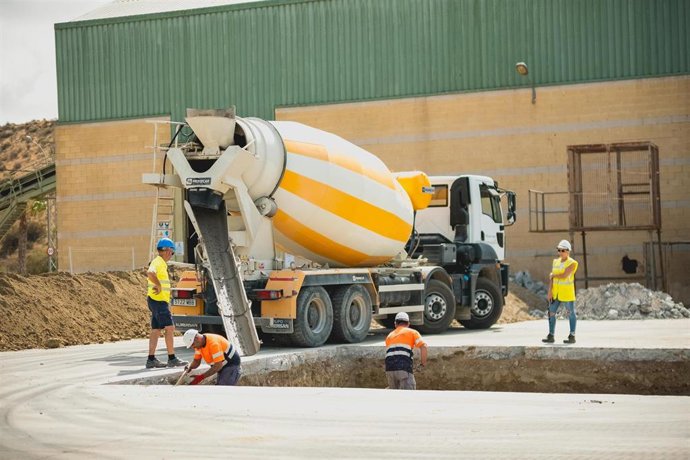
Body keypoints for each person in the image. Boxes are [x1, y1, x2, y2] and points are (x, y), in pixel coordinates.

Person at [145, 237, 188, 368]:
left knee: (156, 330)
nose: (171, 255)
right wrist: (158, 285)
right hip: (158, 301)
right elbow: (150, 273)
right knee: (170, 328)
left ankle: (151, 359)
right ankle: (172, 358)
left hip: (156, 301)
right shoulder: (157, 262)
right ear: (167, 250)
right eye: (172, 252)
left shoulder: (161, 263)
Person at [542, 239, 579, 344]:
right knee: (551, 313)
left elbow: (564, 275)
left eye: (563, 250)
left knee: (570, 313)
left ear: (568, 251)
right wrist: (550, 291)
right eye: (559, 250)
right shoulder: (556, 262)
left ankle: (572, 336)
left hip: (567, 293)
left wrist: (553, 275)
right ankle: (551, 335)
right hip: (556, 293)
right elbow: (552, 279)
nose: (560, 253)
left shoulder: (573, 263)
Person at [384, 311, 428, 390]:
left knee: (393, 396)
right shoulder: (412, 332)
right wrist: (423, 364)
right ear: (408, 324)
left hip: (389, 369)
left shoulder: (389, 336)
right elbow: (424, 346)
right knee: (408, 395)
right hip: (403, 368)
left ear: (395, 324)